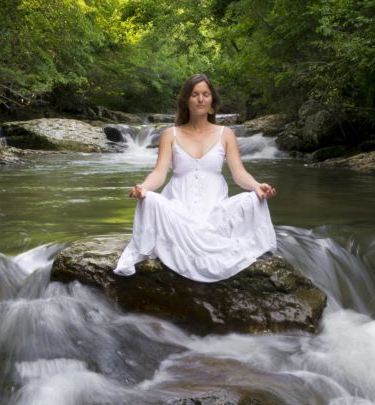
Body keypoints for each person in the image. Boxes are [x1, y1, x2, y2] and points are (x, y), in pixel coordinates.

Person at [113, 74, 277, 282]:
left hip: (215, 212)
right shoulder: (170, 134)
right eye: (195, 94)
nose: (200, 99)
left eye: (205, 94)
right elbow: (159, 173)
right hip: (179, 210)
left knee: (253, 199)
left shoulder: (226, 134)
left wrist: (257, 186)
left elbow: (239, 173)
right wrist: (143, 188)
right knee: (151, 200)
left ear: (212, 101)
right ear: (186, 101)